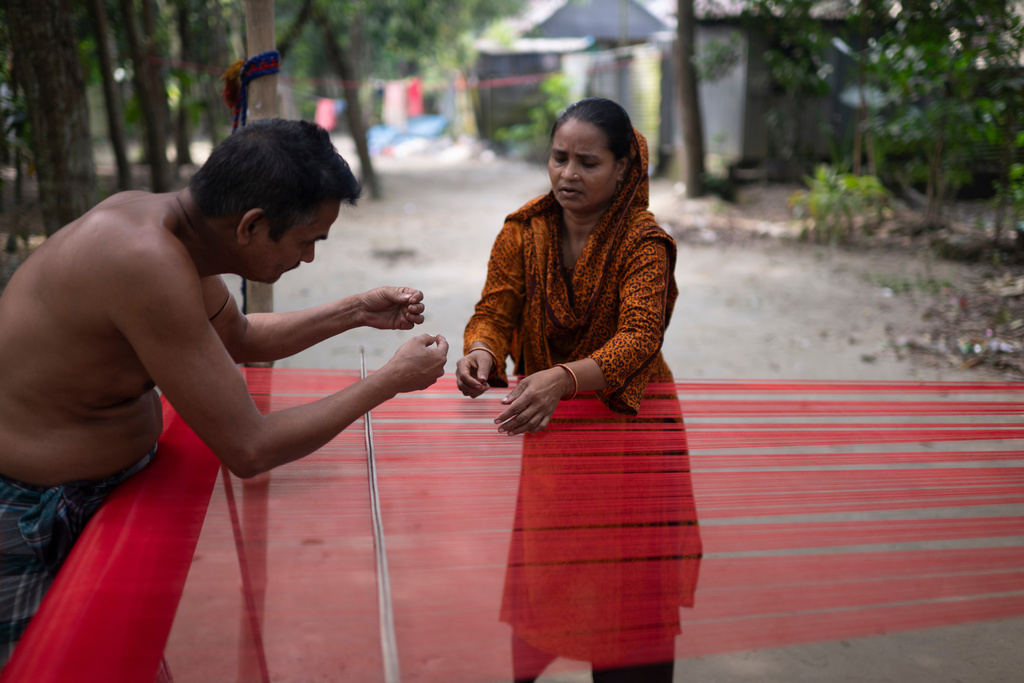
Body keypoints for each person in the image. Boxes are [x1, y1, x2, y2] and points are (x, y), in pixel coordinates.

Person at [0, 118, 448, 666]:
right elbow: (249, 447)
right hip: (26, 514)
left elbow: (236, 337)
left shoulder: (169, 229)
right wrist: (389, 381)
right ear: (252, 226)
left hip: (95, 491)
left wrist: (355, 311)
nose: (307, 259)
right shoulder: (143, 260)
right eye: (306, 241)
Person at [455, 98, 702, 682]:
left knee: (628, 603)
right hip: (558, 439)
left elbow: (639, 337)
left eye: (588, 162)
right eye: (559, 157)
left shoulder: (645, 244)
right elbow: (495, 308)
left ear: (623, 168)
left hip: (633, 437)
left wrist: (564, 379)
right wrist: (482, 352)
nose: (568, 174)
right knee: (550, 578)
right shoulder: (523, 231)